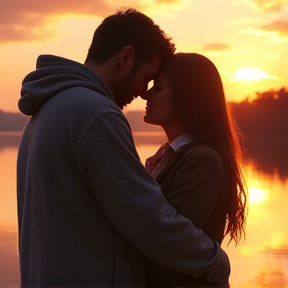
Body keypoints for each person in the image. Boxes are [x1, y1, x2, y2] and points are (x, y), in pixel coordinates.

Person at [17, 8, 230, 288]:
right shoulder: (96, 115)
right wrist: (216, 261)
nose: (144, 92)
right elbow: (148, 219)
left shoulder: (46, 111)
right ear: (125, 57)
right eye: (148, 76)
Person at [141, 52, 248, 287]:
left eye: (157, 88)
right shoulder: (173, 156)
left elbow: (169, 242)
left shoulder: (203, 160)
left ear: (186, 98)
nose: (145, 94)